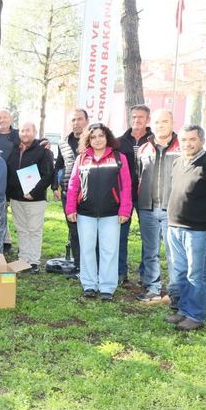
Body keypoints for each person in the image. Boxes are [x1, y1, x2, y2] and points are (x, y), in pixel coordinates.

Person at [164, 125, 206, 331]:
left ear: (201, 140)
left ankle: (195, 315)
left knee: (196, 274)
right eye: (183, 140)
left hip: (199, 230)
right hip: (174, 226)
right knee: (180, 272)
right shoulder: (177, 162)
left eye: (192, 139)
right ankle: (183, 310)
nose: (187, 144)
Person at [66, 123, 132, 301]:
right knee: (86, 248)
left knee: (109, 250)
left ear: (107, 137)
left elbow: (126, 186)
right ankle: (89, 284)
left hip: (111, 213)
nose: (97, 139)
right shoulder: (81, 159)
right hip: (85, 213)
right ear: (88, 139)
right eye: (93, 136)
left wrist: (125, 209)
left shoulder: (119, 157)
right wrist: (70, 207)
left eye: (101, 135)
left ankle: (107, 287)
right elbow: (73, 185)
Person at [134, 109, 181, 303]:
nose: (160, 125)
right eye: (157, 122)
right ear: (151, 124)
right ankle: (152, 288)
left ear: (172, 123)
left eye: (165, 122)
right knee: (150, 251)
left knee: (173, 253)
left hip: (172, 209)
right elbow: (139, 175)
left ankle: (175, 292)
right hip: (147, 208)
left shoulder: (181, 146)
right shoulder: (144, 148)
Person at [5, 121, 54, 273]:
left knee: (34, 229)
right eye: (22, 131)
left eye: (28, 131)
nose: (25, 133)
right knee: (21, 229)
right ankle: (23, 258)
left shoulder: (43, 151)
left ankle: (33, 261)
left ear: (34, 132)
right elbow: (9, 172)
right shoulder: (14, 149)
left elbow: (48, 175)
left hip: (35, 199)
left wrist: (33, 192)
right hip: (16, 198)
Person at [117, 104, 152, 285]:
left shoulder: (155, 141)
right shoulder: (119, 142)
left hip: (148, 195)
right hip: (124, 196)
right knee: (120, 235)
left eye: (141, 117)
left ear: (148, 120)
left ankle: (146, 275)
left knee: (149, 238)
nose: (136, 120)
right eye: (134, 117)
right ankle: (120, 272)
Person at [53, 109, 89, 277]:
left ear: (86, 121)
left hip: (91, 193)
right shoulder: (63, 143)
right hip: (69, 193)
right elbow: (59, 165)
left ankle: (91, 266)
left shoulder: (94, 140)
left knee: (89, 231)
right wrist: (55, 186)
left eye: (79, 119)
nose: (76, 122)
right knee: (74, 230)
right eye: (73, 120)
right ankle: (78, 265)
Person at [0, 109, 19, 253]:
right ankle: (4, 240)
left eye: (5, 117)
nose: (2, 120)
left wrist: (44, 142)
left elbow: (31, 142)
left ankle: (7, 239)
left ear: (11, 119)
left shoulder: (17, 135)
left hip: (13, 178)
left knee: (9, 208)